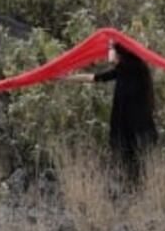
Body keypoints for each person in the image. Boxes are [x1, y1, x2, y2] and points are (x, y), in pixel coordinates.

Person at [62, 42, 157, 180]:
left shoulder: (133, 68)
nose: (114, 57)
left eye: (117, 54)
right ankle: (133, 185)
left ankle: (137, 184)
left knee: (136, 156)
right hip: (128, 122)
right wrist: (66, 78)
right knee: (131, 157)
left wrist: (111, 45)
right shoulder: (125, 69)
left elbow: (111, 60)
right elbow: (93, 78)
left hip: (136, 122)